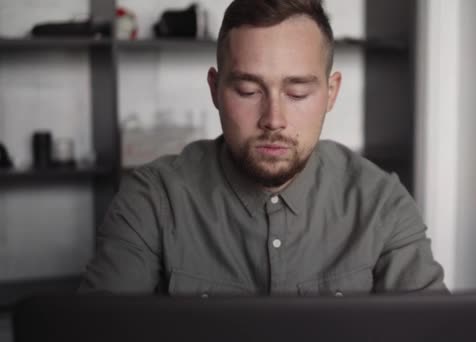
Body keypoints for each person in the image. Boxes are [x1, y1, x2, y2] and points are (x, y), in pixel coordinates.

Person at [79, 0, 446, 296]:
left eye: (297, 92)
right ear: (215, 89)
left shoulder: (382, 202)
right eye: (248, 91)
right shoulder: (153, 200)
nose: (274, 119)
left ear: (331, 93)